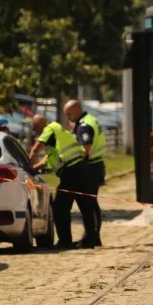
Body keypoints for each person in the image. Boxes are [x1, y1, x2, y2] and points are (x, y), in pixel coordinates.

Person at [28, 114, 100, 249]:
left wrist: (28, 165)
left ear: (39, 126)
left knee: (60, 208)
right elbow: (46, 161)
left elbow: (35, 150)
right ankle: (92, 238)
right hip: (81, 168)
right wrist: (34, 169)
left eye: (35, 128)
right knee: (85, 205)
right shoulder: (57, 132)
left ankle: (65, 241)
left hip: (71, 171)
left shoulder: (48, 129)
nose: (36, 132)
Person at [63, 99, 105, 244]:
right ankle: (93, 236)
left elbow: (86, 147)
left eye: (68, 114)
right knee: (91, 203)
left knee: (89, 203)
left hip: (91, 167)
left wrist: (74, 160)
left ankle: (91, 236)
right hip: (96, 165)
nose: (68, 117)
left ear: (75, 111)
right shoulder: (90, 119)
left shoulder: (84, 125)